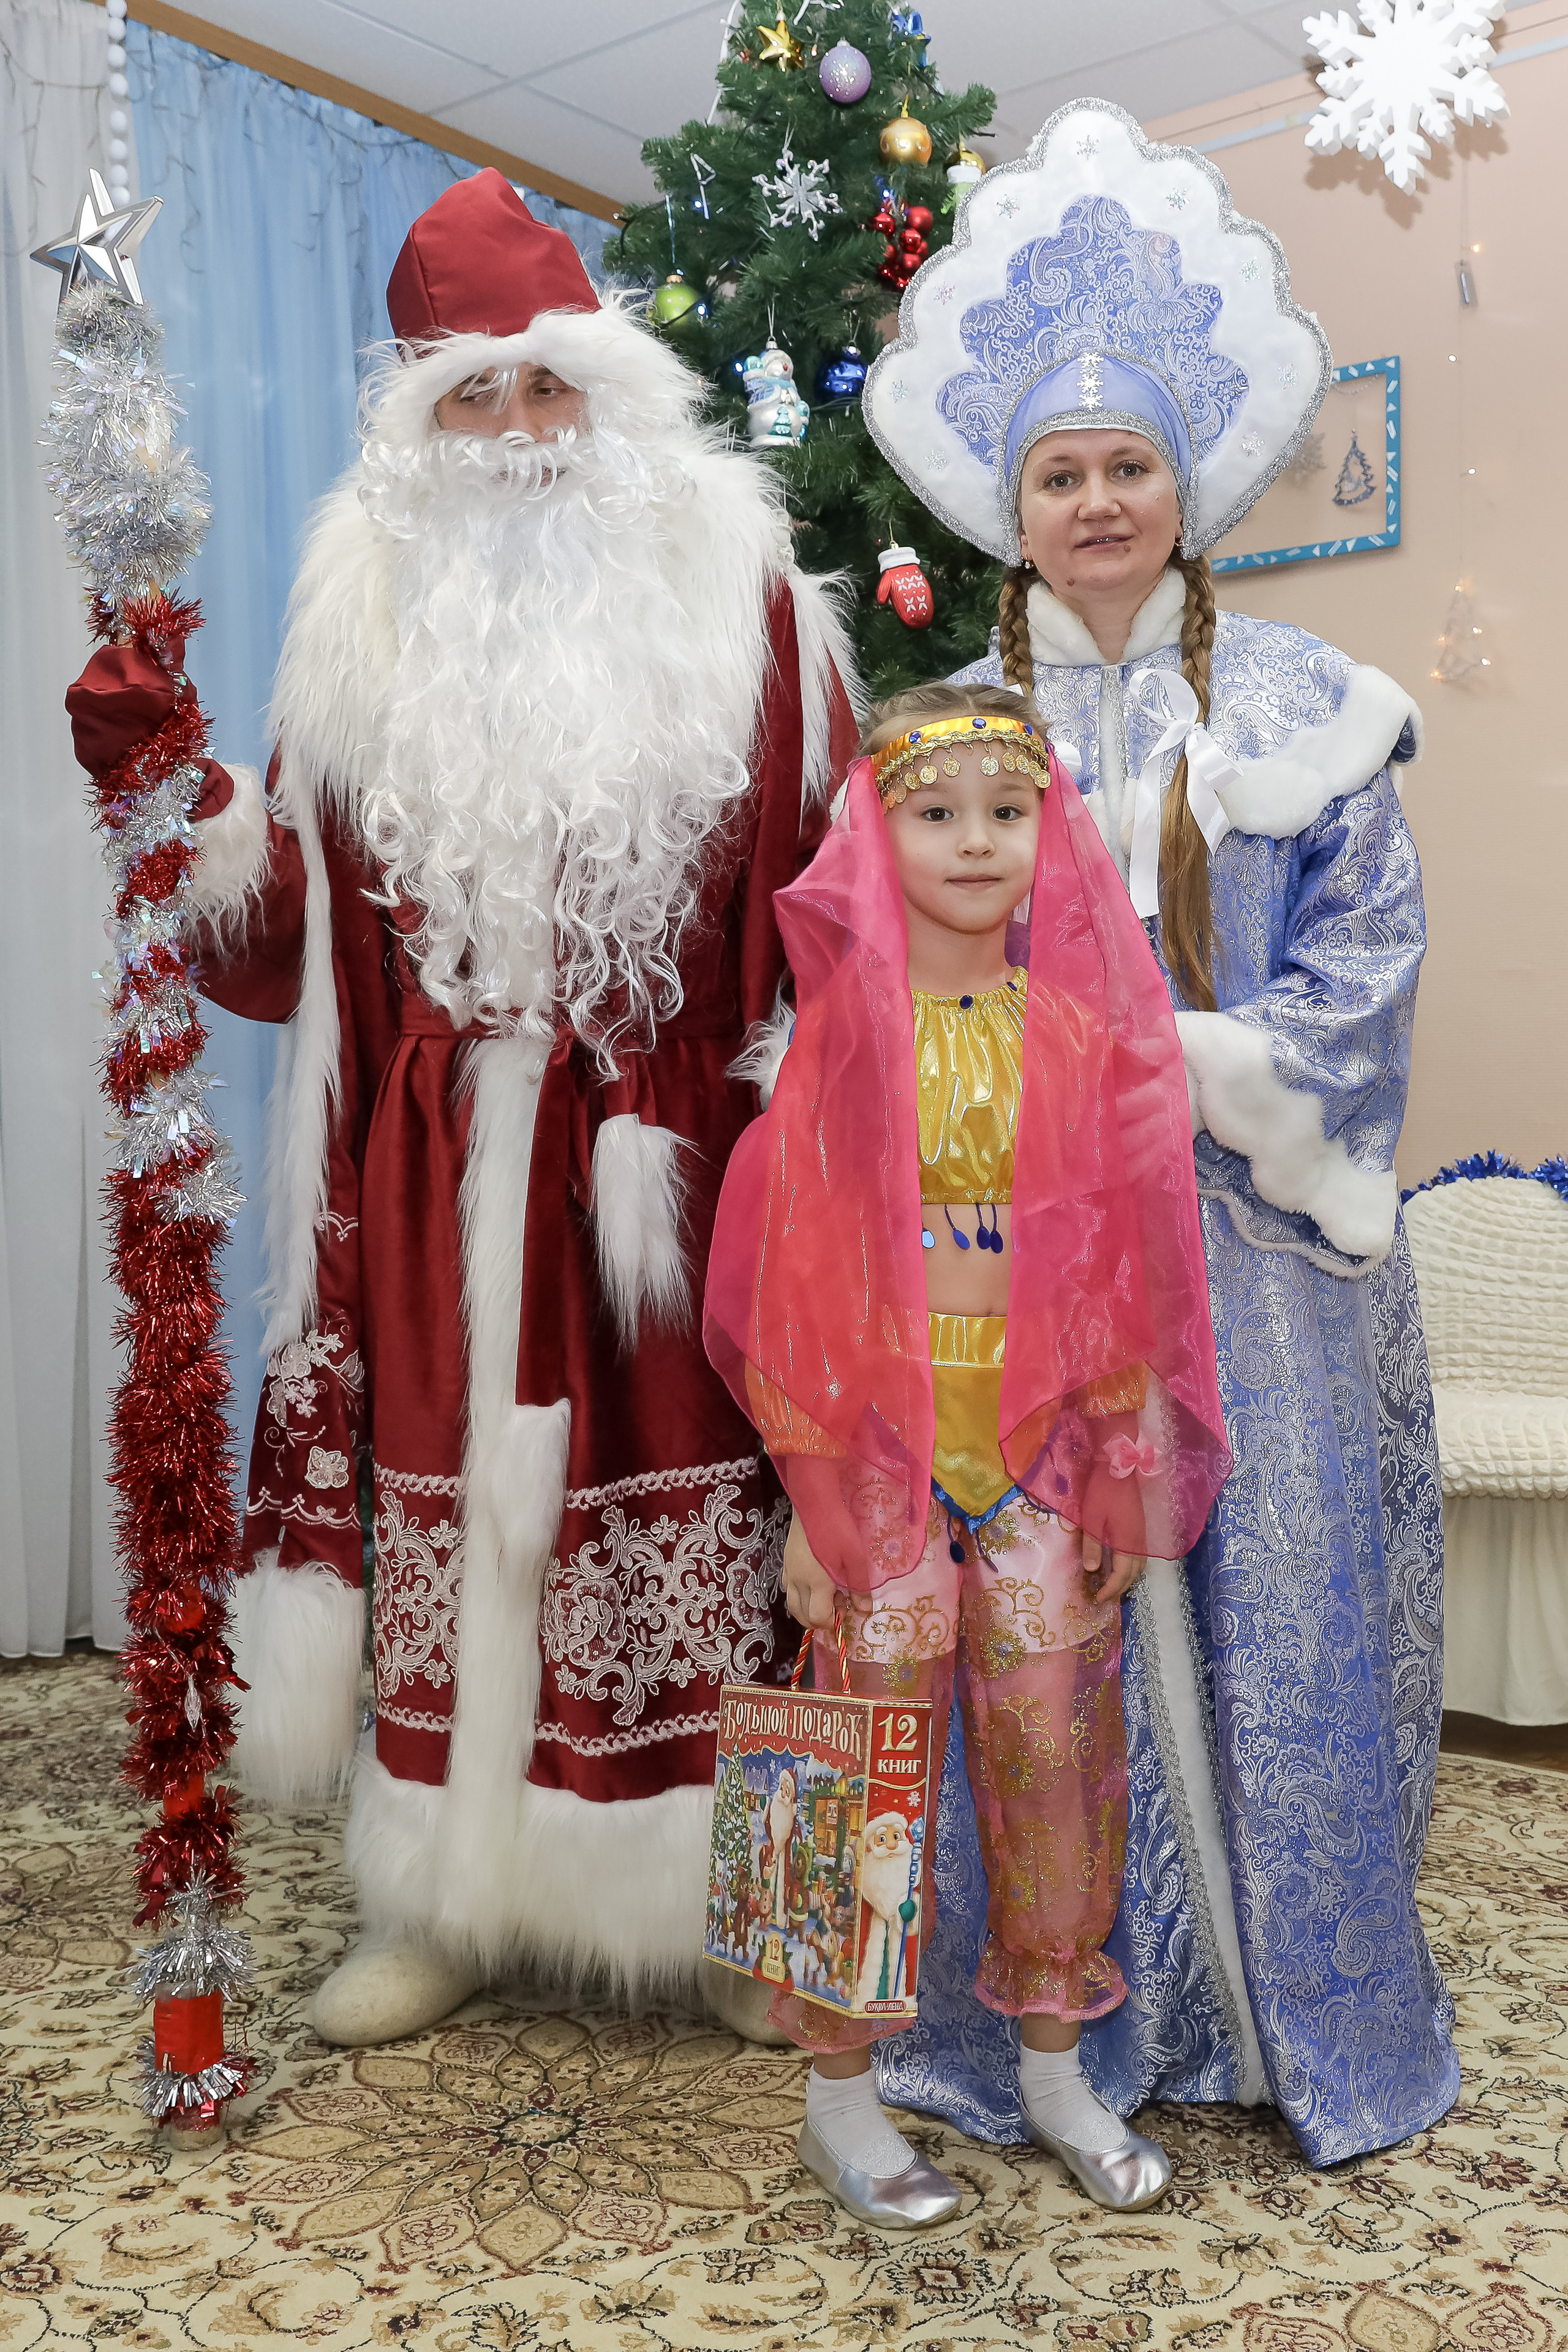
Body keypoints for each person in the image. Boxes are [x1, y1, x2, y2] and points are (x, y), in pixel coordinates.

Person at [65, 170, 857, 2047]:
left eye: (547, 390)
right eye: (471, 401)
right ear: (417, 430)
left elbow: (837, 913)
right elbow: (278, 950)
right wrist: (177, 798)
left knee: (724, 1529)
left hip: (690, 1163)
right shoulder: (355, 632)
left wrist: (817, 1154)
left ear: (615, 399)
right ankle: (440, 1899)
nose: (513, 435)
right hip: (424, 1175)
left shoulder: (758, 616)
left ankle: (746, 1914)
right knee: (452, 1536)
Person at [862, 98, 1457, 2166]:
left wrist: (1173, 1076)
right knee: (1036, 1651)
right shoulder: (946, 741)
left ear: (1180, 487)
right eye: (1062, 473)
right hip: (1010, 1289)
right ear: (1014, 506)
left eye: (1129, 468)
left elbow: (1364, 978)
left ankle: (1282, 2030)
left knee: (1265, 1621)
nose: (1100, 499)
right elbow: (872, 1005)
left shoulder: (1307, 701)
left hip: (1259, 1274)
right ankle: (1047, 2028)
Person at [704, 680, 1232, 2225]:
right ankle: (841, 2101)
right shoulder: (841, 1044)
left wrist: (1125, 1463)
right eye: (936, 813)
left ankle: (1056, 2075)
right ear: (875, 833)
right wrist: (809, 1488)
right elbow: (791, 1271)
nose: (976, 840)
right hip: (874, 1461)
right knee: (856, 1770)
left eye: (1008, 811)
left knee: (1055, 1761)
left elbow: (1124, 1267)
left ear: (1049, 832)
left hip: (1042, 1466)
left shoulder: (1078, 1033)